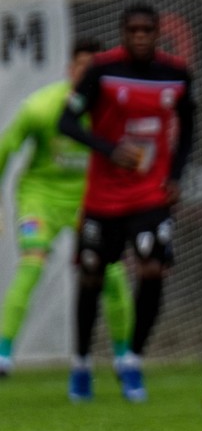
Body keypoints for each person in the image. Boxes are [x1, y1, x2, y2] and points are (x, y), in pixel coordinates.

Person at [59, 6, 196, 402]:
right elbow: (65, 123)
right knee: (91, 276)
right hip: (103, 197)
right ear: (122, 33)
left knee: (153, 268)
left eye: (147, 30)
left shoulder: (176, 74)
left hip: (150, 195)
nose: (140, 36)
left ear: (157, 34)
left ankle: (131, 359)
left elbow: (189, 127)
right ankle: (82, 362)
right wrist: (108, 149)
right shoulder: (101, 70)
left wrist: (177, 176)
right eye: (132, 30)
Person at [0, 40, 133, 377]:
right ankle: (3, 354)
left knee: (113, 274)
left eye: (93, 67)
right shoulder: (42, 107)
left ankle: (124, 357)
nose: (86, 73)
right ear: (69, 69)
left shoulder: (111, 111)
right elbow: (5, 150)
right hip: (40, 199)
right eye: (80, 66)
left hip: (90, 200)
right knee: (32, 264)